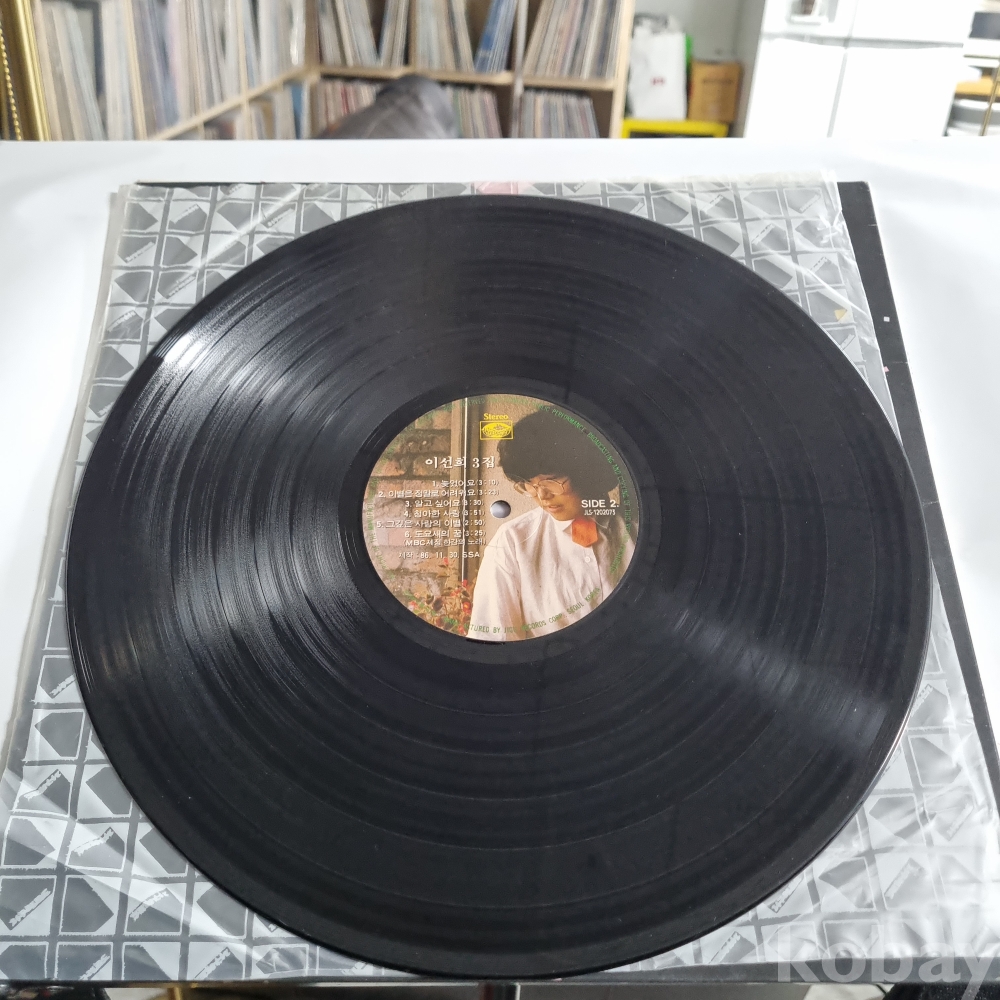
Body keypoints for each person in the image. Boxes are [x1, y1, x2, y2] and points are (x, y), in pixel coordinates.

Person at [467, 409, 635, 641]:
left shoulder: (637, 529)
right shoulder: (512, 543)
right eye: (528, 484)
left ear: (585, 470)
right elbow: (494, 644)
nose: (541, 495)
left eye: (552, 480)